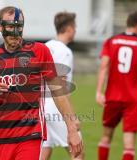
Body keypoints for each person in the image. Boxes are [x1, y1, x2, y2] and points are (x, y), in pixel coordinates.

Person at [0, 6, 83, 160]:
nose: (15, 32)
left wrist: (72, 129)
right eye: (10, 27)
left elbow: (58, 92)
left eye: (19, 27)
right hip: (1, 137)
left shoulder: (39, 51)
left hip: (30, 134)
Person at [96, 11, 137, 160]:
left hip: (112, 97)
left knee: (105, 138)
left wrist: (99, 91)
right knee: (129, 145)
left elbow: (104, 66)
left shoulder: (112, 41)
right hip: (134, 99)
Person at [41, 12, 84, 160]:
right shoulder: (65, 52)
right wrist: (72, 117)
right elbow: (60, 87)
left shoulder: (45, 47)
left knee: (44, 151)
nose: (75, 30)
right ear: (69, 28)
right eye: (75, 27)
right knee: (77, 151)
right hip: (55, 106)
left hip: (40, 106)